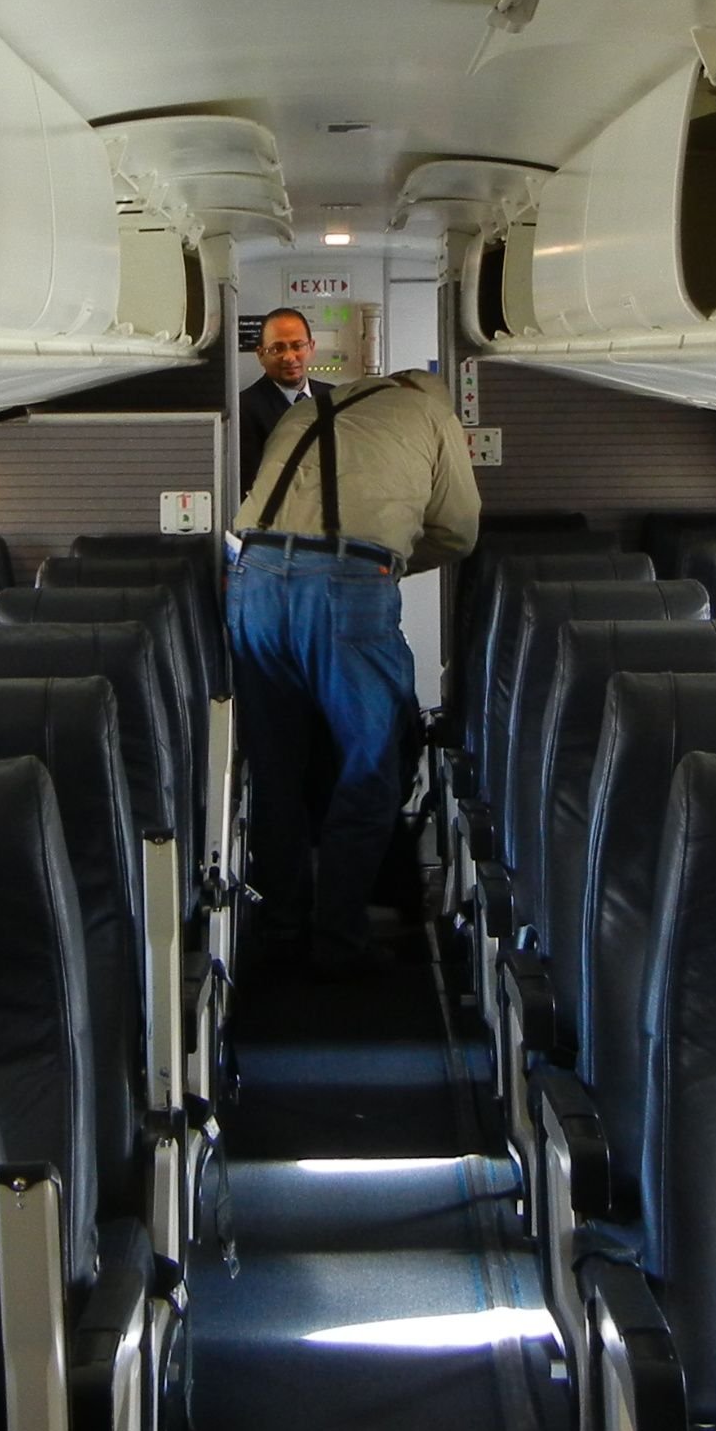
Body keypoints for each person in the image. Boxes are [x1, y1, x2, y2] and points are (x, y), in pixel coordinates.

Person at [230, 365, 482, 976]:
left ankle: (281, 925)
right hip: (345, 587)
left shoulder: (305, 410)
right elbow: (458, 531)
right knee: (373, 762)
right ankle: (340, 937)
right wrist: (385, 560)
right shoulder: (432, 414)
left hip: (251, 578)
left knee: (275, 768)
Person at [238, 307, 334, 463]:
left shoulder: (334, 398)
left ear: (311, 348)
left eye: (297, 346)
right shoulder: (243, 411)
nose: (289, 357)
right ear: (261, 355)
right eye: (277, 349)